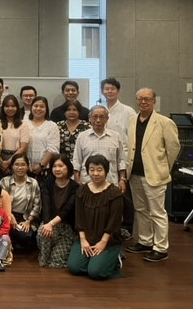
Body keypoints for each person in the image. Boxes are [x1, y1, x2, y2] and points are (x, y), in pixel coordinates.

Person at [125, 87, 180, 262]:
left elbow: (173, 149)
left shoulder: (164, 122)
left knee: (157, 212)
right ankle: (145, 241)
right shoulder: (132, 120)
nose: (143, 102)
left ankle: (161, 248)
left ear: (154, 102)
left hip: (155, 175)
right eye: (140, 99)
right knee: (140, 210)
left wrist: (164, 168)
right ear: (136, 101)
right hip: (134, 174)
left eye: (147, 99)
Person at [68, 154, 123, 280]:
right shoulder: (82, 190)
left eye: (99, 170)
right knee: (74, 267)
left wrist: (103, 242)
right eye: (91, 170)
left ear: (106, 171)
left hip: (107, 240)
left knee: (95, 272)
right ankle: (95, 260)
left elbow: (114, 221)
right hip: (86, 237)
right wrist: (83, 240)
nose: (95, 173)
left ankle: (115, 259)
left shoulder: (114, 193)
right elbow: (79, 217)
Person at [37, 155, 79, 268]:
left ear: (68, 167)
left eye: (61, 166)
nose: (57, 169)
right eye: (54, 166)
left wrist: (51, 224)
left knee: (56, 262)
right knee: (43, 231)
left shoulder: (75, 187)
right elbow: (46, 207)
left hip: (67, 228)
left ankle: (54, 255)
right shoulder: (47, 183)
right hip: (50, 223)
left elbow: (67, 210)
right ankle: (44, 258)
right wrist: (48, 224)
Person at [72, 105, 126, 189]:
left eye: (102, 117)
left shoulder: (116, 136)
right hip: (87, 183)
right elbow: (77, 161)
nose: (98, 120)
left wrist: (122, 179)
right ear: (89, 118)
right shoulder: (82, 137)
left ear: (107, 119)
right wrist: (77, 179)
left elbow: (121, 160)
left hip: (111, 183)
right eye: (95, 117)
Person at [0, 153, 41, 250]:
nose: (20, 167)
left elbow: (37, 205)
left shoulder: (33, 183)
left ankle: (13, 243)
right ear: (12, 166)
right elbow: (0, 203)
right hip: (7, 215)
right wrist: (10, 216)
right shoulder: (4, 181)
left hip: (24, 217)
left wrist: (28, 221)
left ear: (28, 166)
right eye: (17, 164)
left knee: (26, 237)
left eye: (23, 165)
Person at [27, 96, 59, 181]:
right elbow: (21, 146)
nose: (38, 109)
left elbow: (53, 148)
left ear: (46, 109)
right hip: (26, 168)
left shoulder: (52, 126)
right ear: (31, 107)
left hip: (46, 168)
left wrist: (41, 165)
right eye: (36, 106)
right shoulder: (24, 124)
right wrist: (27, 164)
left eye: (42, 106)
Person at [0, 95, 29, 177]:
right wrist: (0, 161)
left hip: (17, 158)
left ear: (17, 108)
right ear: (3, 108)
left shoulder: (23, 125)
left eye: (13, 106)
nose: (10, 109)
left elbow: (23, 147)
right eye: (7, 106)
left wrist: (9, 162)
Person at [102, 77, 136, 146]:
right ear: (102, 92)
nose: (110, 91)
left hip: (123, 150)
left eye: (112, 89)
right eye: (107, 89)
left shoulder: (128, 111)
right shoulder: (101, 111)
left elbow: (134, 135)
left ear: (118, 91)